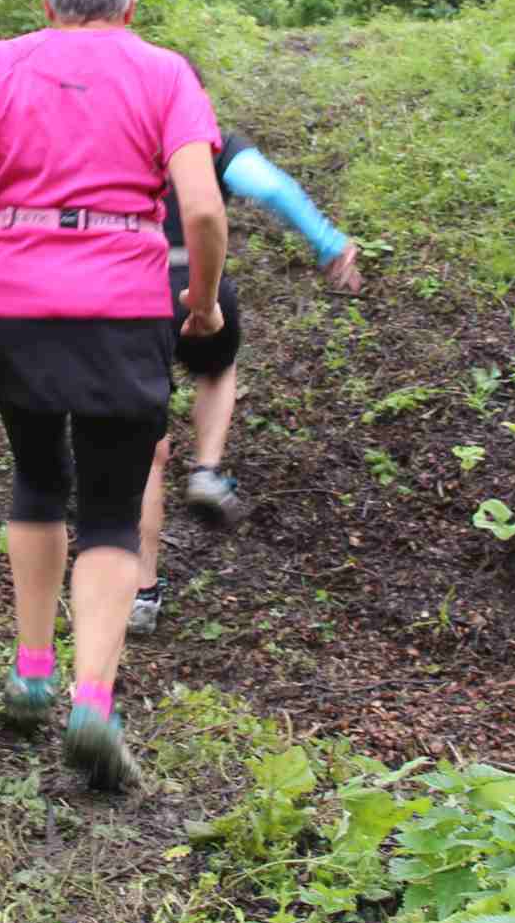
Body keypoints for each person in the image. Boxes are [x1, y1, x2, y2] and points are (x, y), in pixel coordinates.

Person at [0, 0, 226, 792]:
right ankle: (91, 703)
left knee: (37, 479)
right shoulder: (165, 72)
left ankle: (30, 673)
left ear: (47, 0)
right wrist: (200, 303)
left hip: (12, 303)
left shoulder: (0, 63)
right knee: (113, 510)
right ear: (132, 2)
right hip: (123, 310)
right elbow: (202, 211)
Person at [129, 90, 362, 635]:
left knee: (143, 452)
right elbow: (271, 187)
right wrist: (328, 243)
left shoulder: (119, 141)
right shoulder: (210, 143)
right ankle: (207, 470)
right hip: (197, 284)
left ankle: (142, 593)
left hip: (128, 292)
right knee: (216, 369)